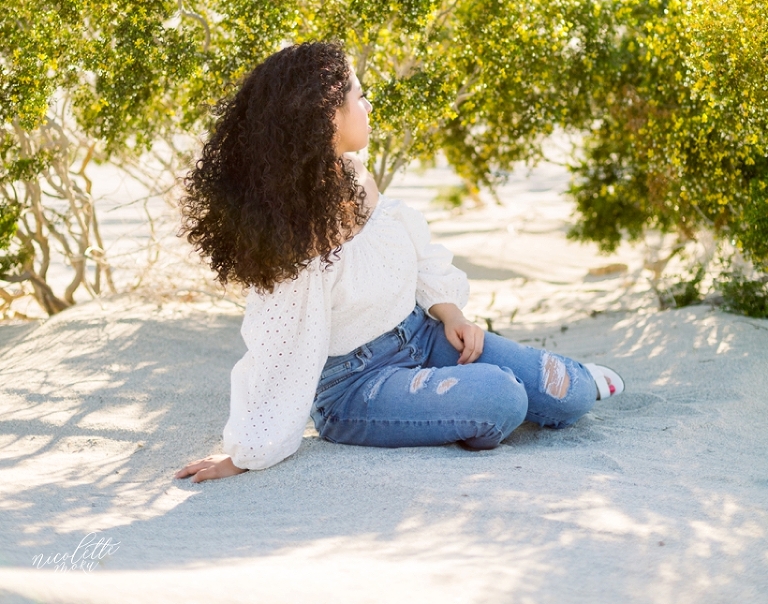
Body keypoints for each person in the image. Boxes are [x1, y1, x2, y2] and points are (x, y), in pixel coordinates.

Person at [175, 41, 624, 483]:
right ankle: (449, 409)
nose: (367, 104)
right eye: (357, 95)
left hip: (421, 334)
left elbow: (412, 250)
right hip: (355, 388)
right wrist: (246, 453)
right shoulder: (295, 239)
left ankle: (460, 401)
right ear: (325, 116)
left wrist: (450, 312)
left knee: (571, 393)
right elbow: (278, 351)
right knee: (503, 397)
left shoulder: (353, 175)